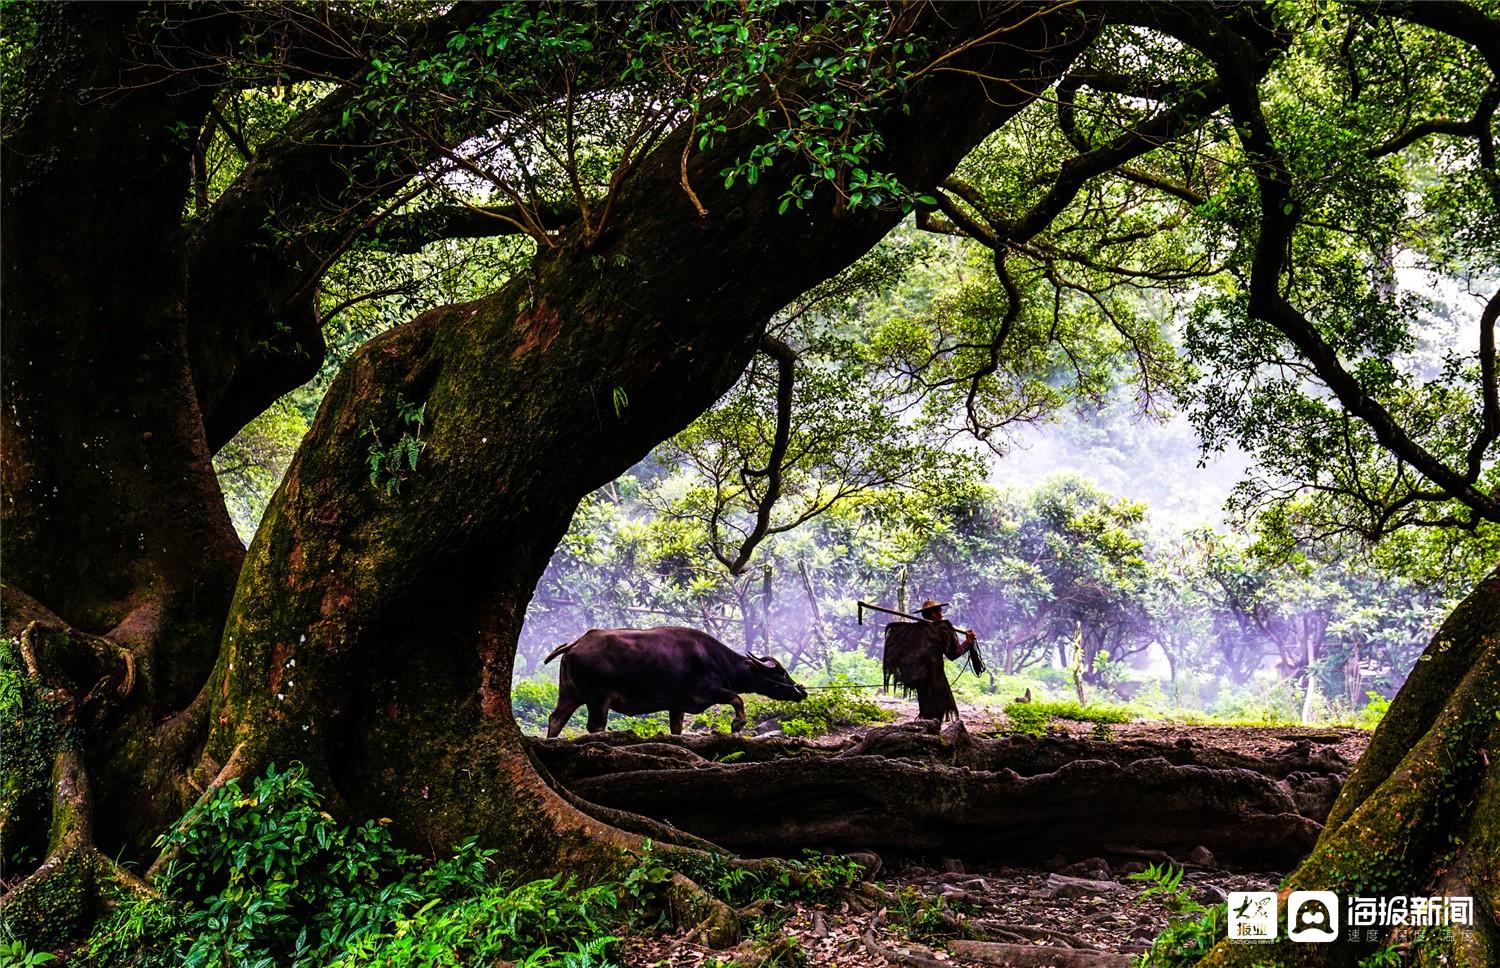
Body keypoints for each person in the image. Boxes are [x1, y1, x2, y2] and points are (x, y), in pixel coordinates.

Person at [881, 599, 983, 721]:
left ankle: (930, 733)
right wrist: (968, 641)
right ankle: (932, 734)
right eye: (939, 611)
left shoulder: (918, 630)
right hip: (936, 678)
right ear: (933, 614)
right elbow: (953, 654)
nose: (941, 613)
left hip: (920, 677)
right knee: (938, 708)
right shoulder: (943, 628)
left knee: (927, 708)